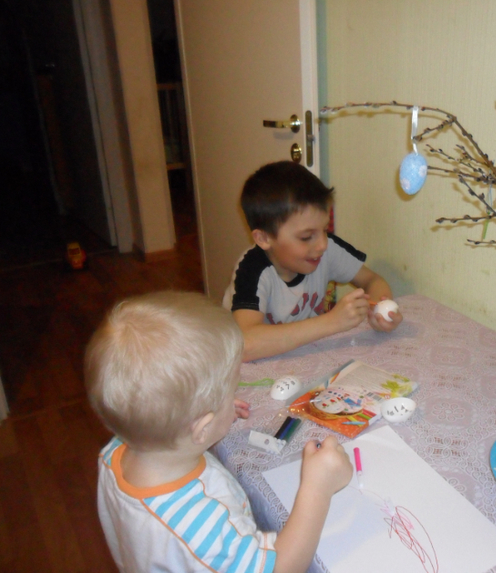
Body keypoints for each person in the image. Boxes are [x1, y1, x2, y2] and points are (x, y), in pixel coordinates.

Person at [85, 291, 353, 573]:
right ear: (201, 428)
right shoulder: (202, 526)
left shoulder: (113, 454)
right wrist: (317, 488)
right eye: (232, 390)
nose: (234, 394)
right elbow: (280, 568)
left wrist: (212, 415)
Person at [222, 161, 403, 361]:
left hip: (302, 359)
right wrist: (332, 322)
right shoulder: (251, 269)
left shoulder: (326, 249)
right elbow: (245, 345)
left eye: (325, 230)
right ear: (264, 238)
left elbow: (373, 280)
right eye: (306, 237)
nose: (322, 245)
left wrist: (380, 311)